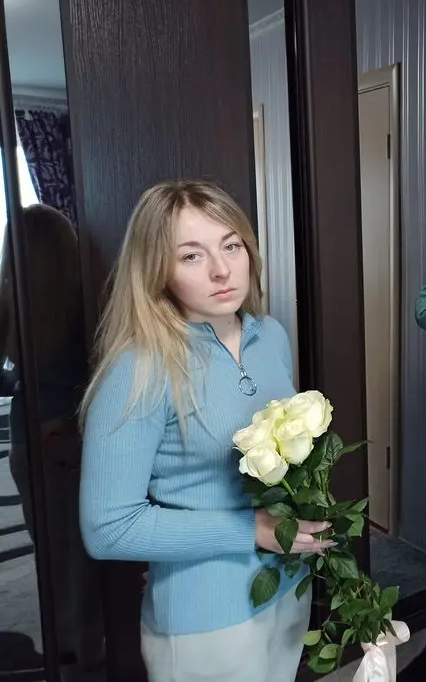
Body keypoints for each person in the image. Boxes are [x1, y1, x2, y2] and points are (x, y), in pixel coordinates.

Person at [78, 181, 334, 682]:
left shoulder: (270, 335)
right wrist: (250, 530)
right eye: (191, 256)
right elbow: (108, 529)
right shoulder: (139, 368)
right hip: (207, 618)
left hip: (287, 588)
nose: (221, 269)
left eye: (231, 246)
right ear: (157, 269)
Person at [0, 204, 103, 672]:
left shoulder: (12, 301)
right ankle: (82, 661)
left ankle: (67, 658)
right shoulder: (83, 301)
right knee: (80, 571)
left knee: (51, 562)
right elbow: (100, 375)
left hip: (27, 441)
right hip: (68, 439)